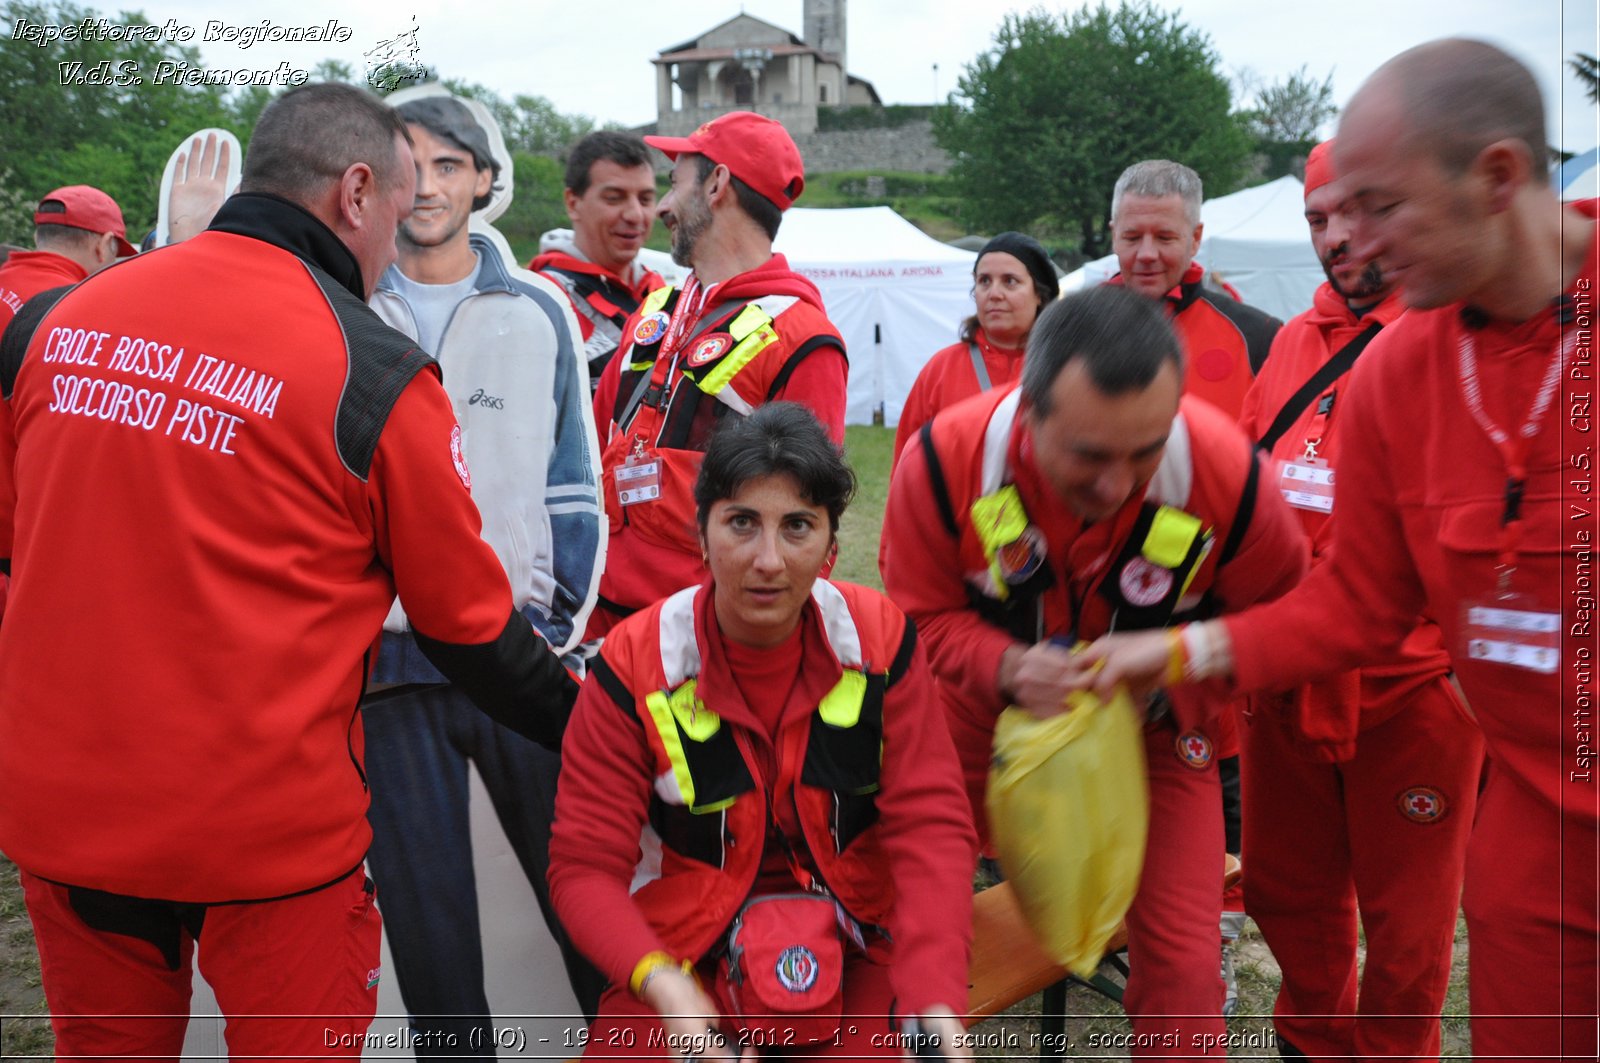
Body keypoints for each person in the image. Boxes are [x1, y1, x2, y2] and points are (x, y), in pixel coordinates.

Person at [0, 82, 578, 1060]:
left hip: (70, 821)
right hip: (263, 842)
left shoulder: (50, 329)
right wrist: (591, 727)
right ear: (356, 192)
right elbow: (467, 624)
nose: (394, 246)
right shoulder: (374, 371)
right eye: (394, 214)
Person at [1078, 38, 1598, 1062]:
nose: (1347, 240)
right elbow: (1354, 601)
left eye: (1377, 206)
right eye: (1329, 212)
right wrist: (1165, 655)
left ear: (1496, 178)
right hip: (1541, 837)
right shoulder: (1404, 364)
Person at [881, 286, 1307, 1057]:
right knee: (902, 916)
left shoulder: (1224, 475)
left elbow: (1285, 620)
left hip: (1158, 732)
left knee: (1182, 969)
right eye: (1089, 456)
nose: (1117, 483)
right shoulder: (946, 464)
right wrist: (1005, 664)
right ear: (1028, 408)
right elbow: (915, 622)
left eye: (1144, 452)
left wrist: (1172, 666)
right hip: (978, 723)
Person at [550, 402, 976, 1060]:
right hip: (681, 953)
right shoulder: (632, 664)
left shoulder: (881, 640)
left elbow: (931, 822)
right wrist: (662, 985)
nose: (768, 559)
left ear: (831, 548)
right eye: (742, 522)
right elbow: (584, 869)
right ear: (701, 535)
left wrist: (936, 991)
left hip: (862, 937)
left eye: (797, 526)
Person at [1231, 138, 1485, 1060]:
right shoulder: (1296, 340)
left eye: (1356, 212)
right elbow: (1251, 478)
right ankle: (1309, 1039)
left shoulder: (1465, 336)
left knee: (1411, 924)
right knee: (1283, 891)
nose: (1335, 237)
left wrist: (1456, 676)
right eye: (1316, 220)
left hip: (1409, 689)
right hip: (1288, 674)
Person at [364, 91, 608, 1047]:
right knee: (431, 944)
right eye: (405, 164)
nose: (424, 185)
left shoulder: (538, 306)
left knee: (582, 905)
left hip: (516, 646)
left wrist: (552, 631)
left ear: (485, 179)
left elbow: (572, 482)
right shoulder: (345, 299)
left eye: (447, 164)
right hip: (387, 666)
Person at [588, 111, 848, 639]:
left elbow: (802, 530)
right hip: (599, 620)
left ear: (717, 183)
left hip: (700, 636)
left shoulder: (802, 338)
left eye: (672, 184)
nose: (661, 206)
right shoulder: (655, 311)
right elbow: (590, 450)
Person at [1109, 160, 1280, 419]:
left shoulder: (1259, 336)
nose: (1146, 254)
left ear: (1195, 238)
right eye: (1132, 238)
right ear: (1114, 237)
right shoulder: (1071, 329)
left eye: (1165, 237)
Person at [892, 231, 1058, 466]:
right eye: (984, 281)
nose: (994, 294)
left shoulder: (1064, 369)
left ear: (1039, 294)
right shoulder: (940, 370)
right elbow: (908, 462)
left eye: (1010, 281)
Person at [531, 130, 665, 392]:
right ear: (573, 203)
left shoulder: (662, 291)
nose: (635, 214)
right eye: (614, 198)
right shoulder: (542, 303)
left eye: (645, 199)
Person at [0, 185, 136, 334]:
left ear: (36, 237)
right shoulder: (81, 308)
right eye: (115, 253)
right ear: (104, 245)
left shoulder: (4, 277)